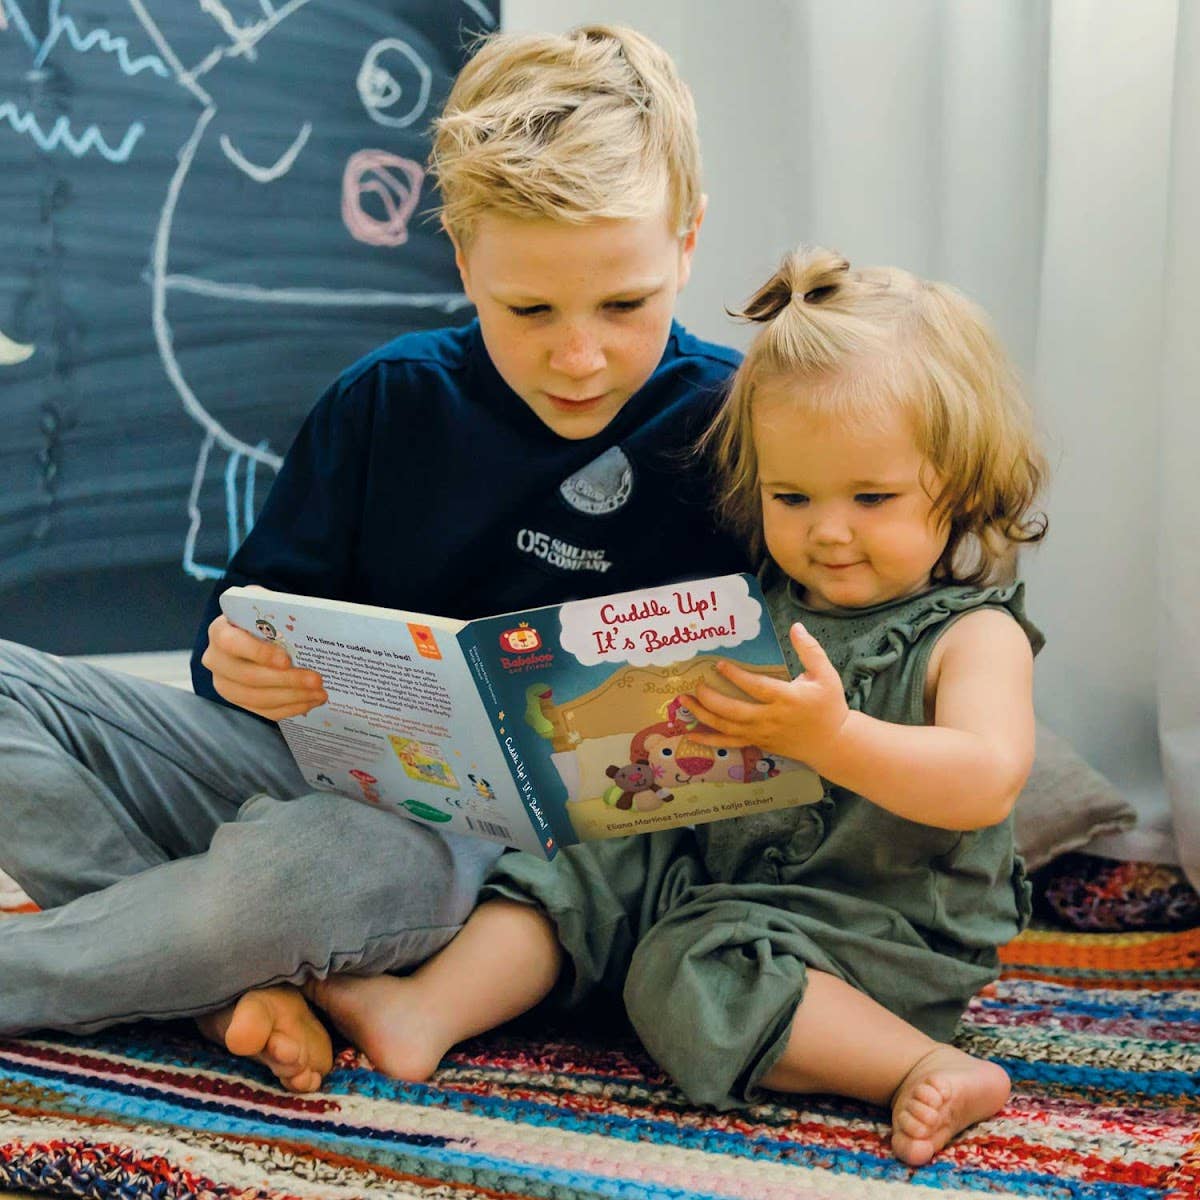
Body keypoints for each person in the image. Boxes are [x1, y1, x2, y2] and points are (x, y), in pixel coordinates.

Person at [0, 25, 747, 1093]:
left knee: (285, 885)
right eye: (527, 309)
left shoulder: (737, 425)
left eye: (624, 305)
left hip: (473, 864)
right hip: (307, 774)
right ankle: (214, 987)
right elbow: (245, 636)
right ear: (462, 257)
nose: (578, 356)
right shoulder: (389, 399)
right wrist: (238, 659)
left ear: (687, 242)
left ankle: (139, 956)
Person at [311, 247, 1048, 1167]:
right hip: (721, 877)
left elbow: (985, 781)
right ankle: (428, 1009)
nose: (828, 528)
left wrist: (835, 736)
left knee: (685, 964)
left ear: (964, 482)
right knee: (592, 848)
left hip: (880, 937)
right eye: (793, 495)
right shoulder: (754, 608)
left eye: (872, 496)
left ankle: (916, 1062)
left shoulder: (973, 637)